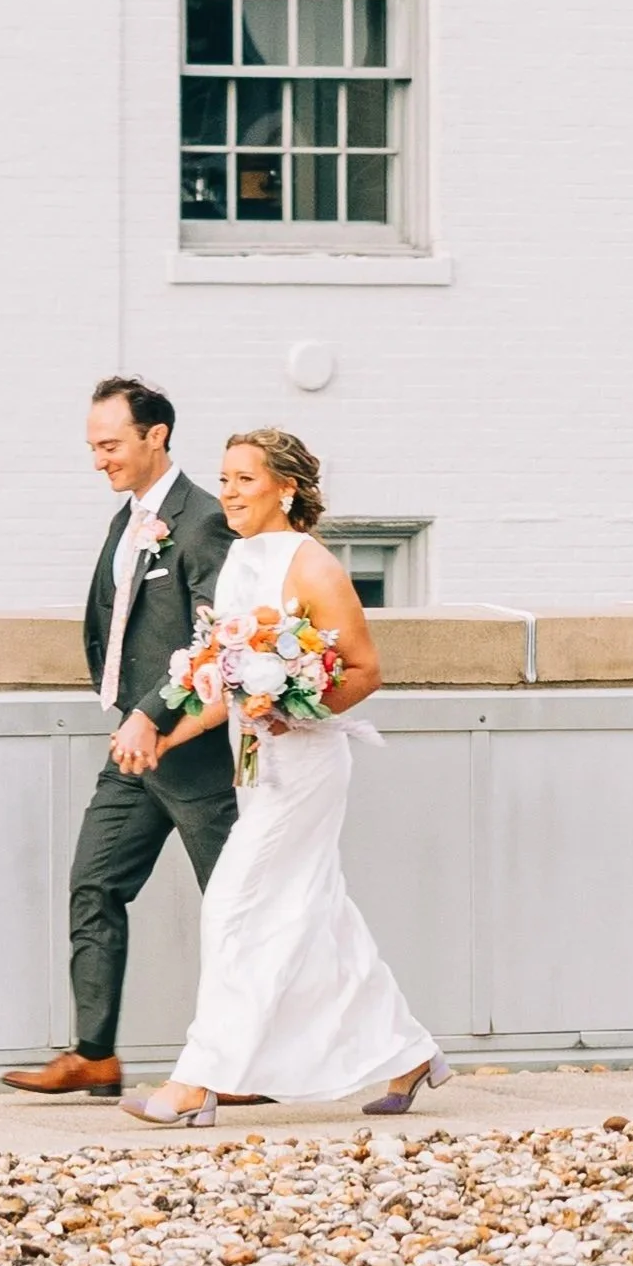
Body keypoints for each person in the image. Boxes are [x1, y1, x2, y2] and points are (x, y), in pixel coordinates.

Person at [121, 425, 449, 1128]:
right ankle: (408, 1052)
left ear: (285, 488)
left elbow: (364, 671)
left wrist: (295, 705)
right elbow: (227, 687)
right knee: (319, 913)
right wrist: (166, 734)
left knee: (234, 906)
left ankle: (197, 1079)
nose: (229, 492)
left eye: (244, 479)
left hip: (303, 765)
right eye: (225, 478)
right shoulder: (240, 560)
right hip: (254, 763)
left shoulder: (311, 565)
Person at [0, 376, 236, 1099]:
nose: (97, 460)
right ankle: (94, 1054)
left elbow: (212, 640)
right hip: (133, 754)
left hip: (192, 756)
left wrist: (152, 713)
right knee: (93, 884)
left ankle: (244, 1061)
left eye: (109, 445)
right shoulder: (129, 518)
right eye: (92, 446)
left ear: (154, 436)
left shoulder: (201, 521)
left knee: (234, 910)